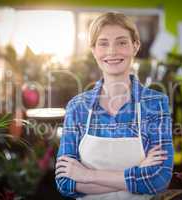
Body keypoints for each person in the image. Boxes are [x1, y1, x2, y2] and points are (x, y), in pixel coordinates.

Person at [55, 12, 173, 200]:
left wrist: (87, 176)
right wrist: (137, 175)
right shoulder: (77, 107)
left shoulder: (155, 103)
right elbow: (65, 182)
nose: (112, 51)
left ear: (135, 46)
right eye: (103, 43)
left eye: (121, 42)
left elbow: (159, 179)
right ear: (93, 50)